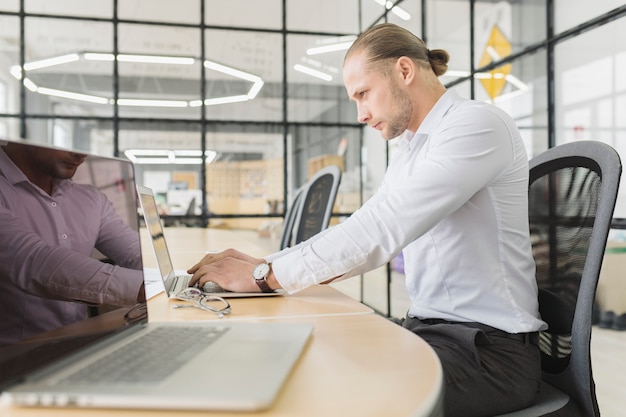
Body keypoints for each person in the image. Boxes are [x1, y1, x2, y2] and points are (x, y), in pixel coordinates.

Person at [187, 23, 546, 416]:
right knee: (303, 352)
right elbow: (362, 226)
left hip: (491, 355)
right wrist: (266, 267)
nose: (360, 114)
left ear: (404, 71)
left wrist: (264, 276)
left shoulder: (476, 125)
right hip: (432, 333)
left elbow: (382, 229)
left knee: (330, 388)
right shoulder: (411, 151)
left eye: (363, 94)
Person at [0, 141, 145, 346]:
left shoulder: (89, 198)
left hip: (74, 346)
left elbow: (133, 251)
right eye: (64, 140)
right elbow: (33, 261)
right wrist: (141, 287)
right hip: (12, 359)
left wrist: (181, 276)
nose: (80, 153)